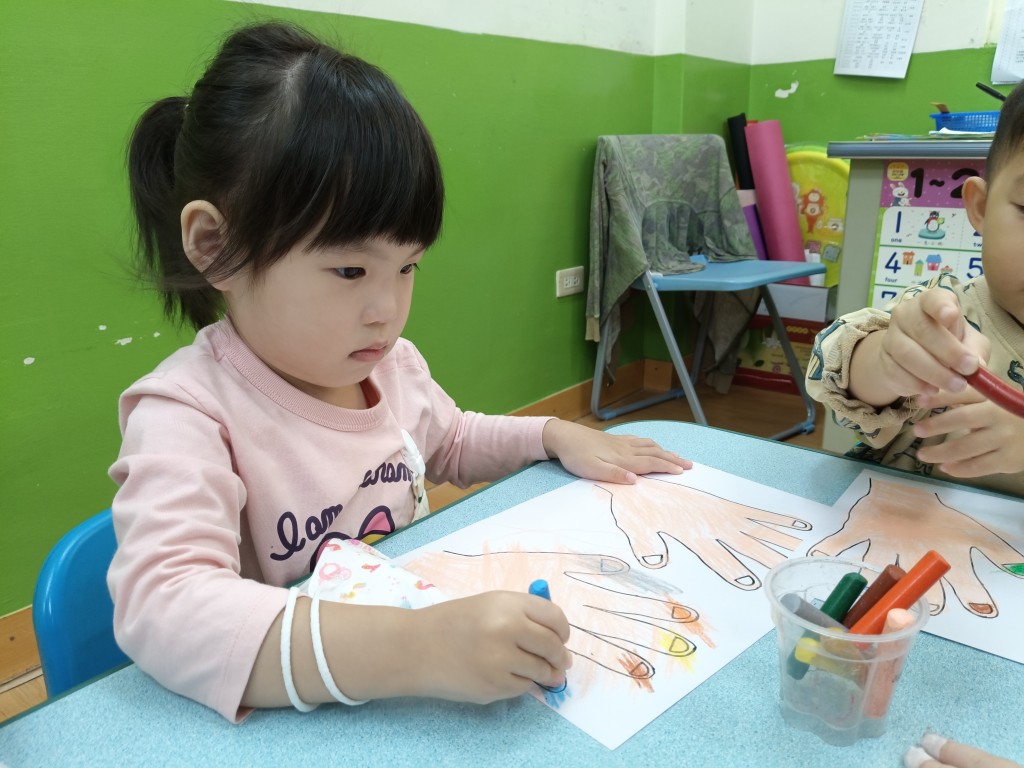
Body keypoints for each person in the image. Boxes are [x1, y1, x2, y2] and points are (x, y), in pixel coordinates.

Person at [108, 20, 691, 722]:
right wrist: (419, 648)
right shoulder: (187, 413)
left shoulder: (392, 369)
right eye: (350, 270)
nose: (387, 311)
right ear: (215, 247)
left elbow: (452, 440)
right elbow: (164, 606)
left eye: (408, 266)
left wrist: (551, 435)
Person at [805, 81, 1024, 497]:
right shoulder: (950, 310)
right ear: (981, 207)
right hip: (887, 522)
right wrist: (884, 363)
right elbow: (839, 373)